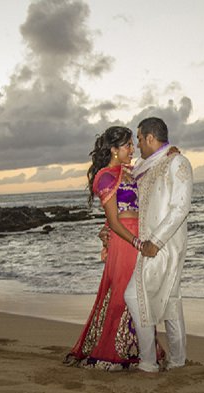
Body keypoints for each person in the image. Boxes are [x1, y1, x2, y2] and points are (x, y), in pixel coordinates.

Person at [63, 126, 141, 370]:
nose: (133, 148)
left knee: (137, 295)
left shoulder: (129, 171)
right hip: (125, 239)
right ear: (114, 150)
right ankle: (111, 352)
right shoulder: (106, 177)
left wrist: (169, 152)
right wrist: (137, 242)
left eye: (132, 144)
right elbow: (115, 221)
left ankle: (134, 348)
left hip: (137, 234)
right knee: (121, 295)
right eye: (128, 144)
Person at [124, 117, 193, 373]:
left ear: (151, 138)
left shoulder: (177, 163)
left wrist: (156, 241)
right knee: (171, 300)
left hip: (165, 245)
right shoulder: (146, 166)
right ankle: (177, 361)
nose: (138, 144)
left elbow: (180, 206)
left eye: (140, 139)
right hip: (148, 244)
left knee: (134, 295)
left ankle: (148, 362)